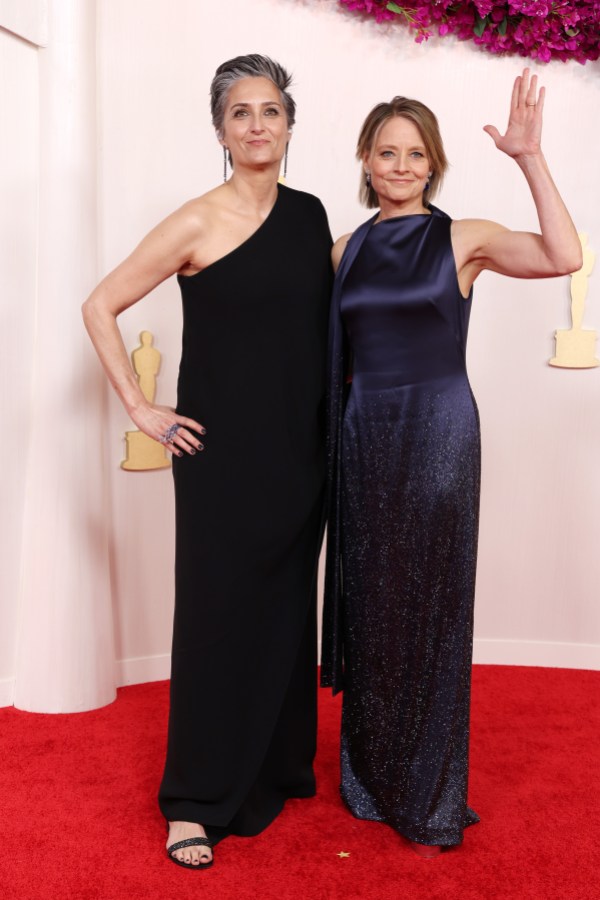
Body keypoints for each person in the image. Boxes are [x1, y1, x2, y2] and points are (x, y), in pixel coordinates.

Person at [321, 69, 581, 857]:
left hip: (437, 431)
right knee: (373, 599)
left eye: (416, 154)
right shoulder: (342, 249)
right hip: (366, 435)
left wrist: (529, 158)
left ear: (433, 163)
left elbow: (563, 254)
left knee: (427, 602)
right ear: (365, 160)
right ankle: (371, 776)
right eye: (387, 152)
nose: (401, 166)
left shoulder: (461, 237)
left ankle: (429, 786)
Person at [82, 54, 332, 869]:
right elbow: (101, 303)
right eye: (241, 113)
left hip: (305, 445)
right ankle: (192, 800)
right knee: (219, 617)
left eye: (271, 111)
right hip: (223, 453)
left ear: (290, 125)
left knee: (291, 609)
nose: (258, 125)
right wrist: (140, 407)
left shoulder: (309, 214)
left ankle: (277, 765)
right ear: (220, 131)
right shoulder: (195, 220)